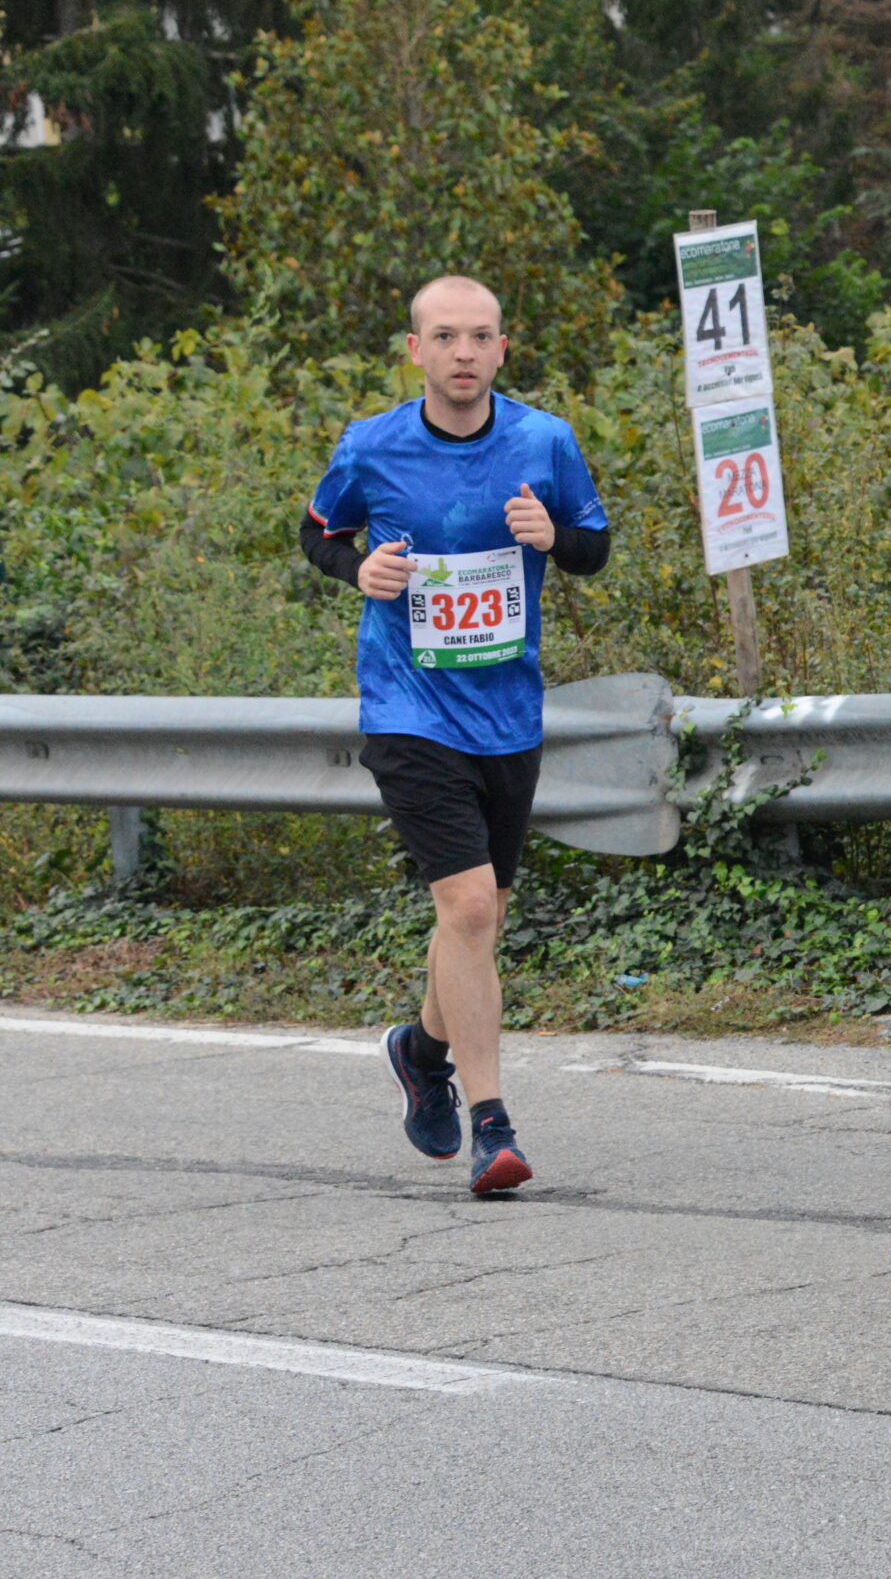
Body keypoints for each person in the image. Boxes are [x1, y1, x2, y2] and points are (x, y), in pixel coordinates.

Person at [300, 276, 612, 1196]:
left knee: (477, 918)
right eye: (445, 336)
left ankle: (420, 1047)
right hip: (407, 708)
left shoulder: (544, 440)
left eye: (480, 337)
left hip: (507, 714)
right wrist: (360, 569)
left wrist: (552, 535)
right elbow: (318, 531)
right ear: (416, 350)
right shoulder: (372, 444)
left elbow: (595, 545)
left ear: (502, 350)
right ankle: (493, 1125)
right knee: (470, 908)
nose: (464, 353)